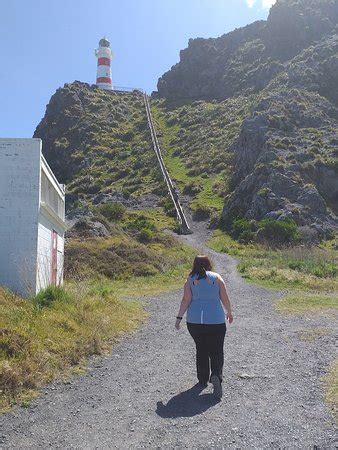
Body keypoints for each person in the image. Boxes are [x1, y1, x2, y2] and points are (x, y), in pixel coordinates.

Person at [175, 255, 233, 398]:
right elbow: (224, 298)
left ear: (194, 265)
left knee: (201, 349)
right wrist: (229, 312)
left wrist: (179, 318)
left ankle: (202, 379)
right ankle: (216, 375)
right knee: (217, 350)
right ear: (209, 264)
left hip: (195, 321)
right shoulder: (217, 278)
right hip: (216, 321)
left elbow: (185, 300)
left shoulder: (189, 280)